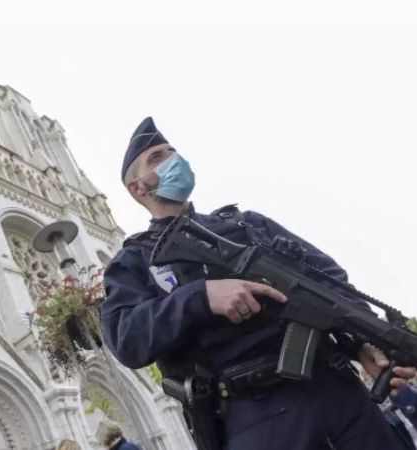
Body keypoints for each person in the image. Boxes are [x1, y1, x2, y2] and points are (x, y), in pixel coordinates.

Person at [99, 117, 417, 449]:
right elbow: (126, 337)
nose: (172, 161)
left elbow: (329, 280)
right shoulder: (136, 260)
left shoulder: (247, 225)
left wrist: (361, 341)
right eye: (156, 158)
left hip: (341, 395)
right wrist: (200, 297)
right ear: (138, 188)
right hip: (254, 414)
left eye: (171, 151)